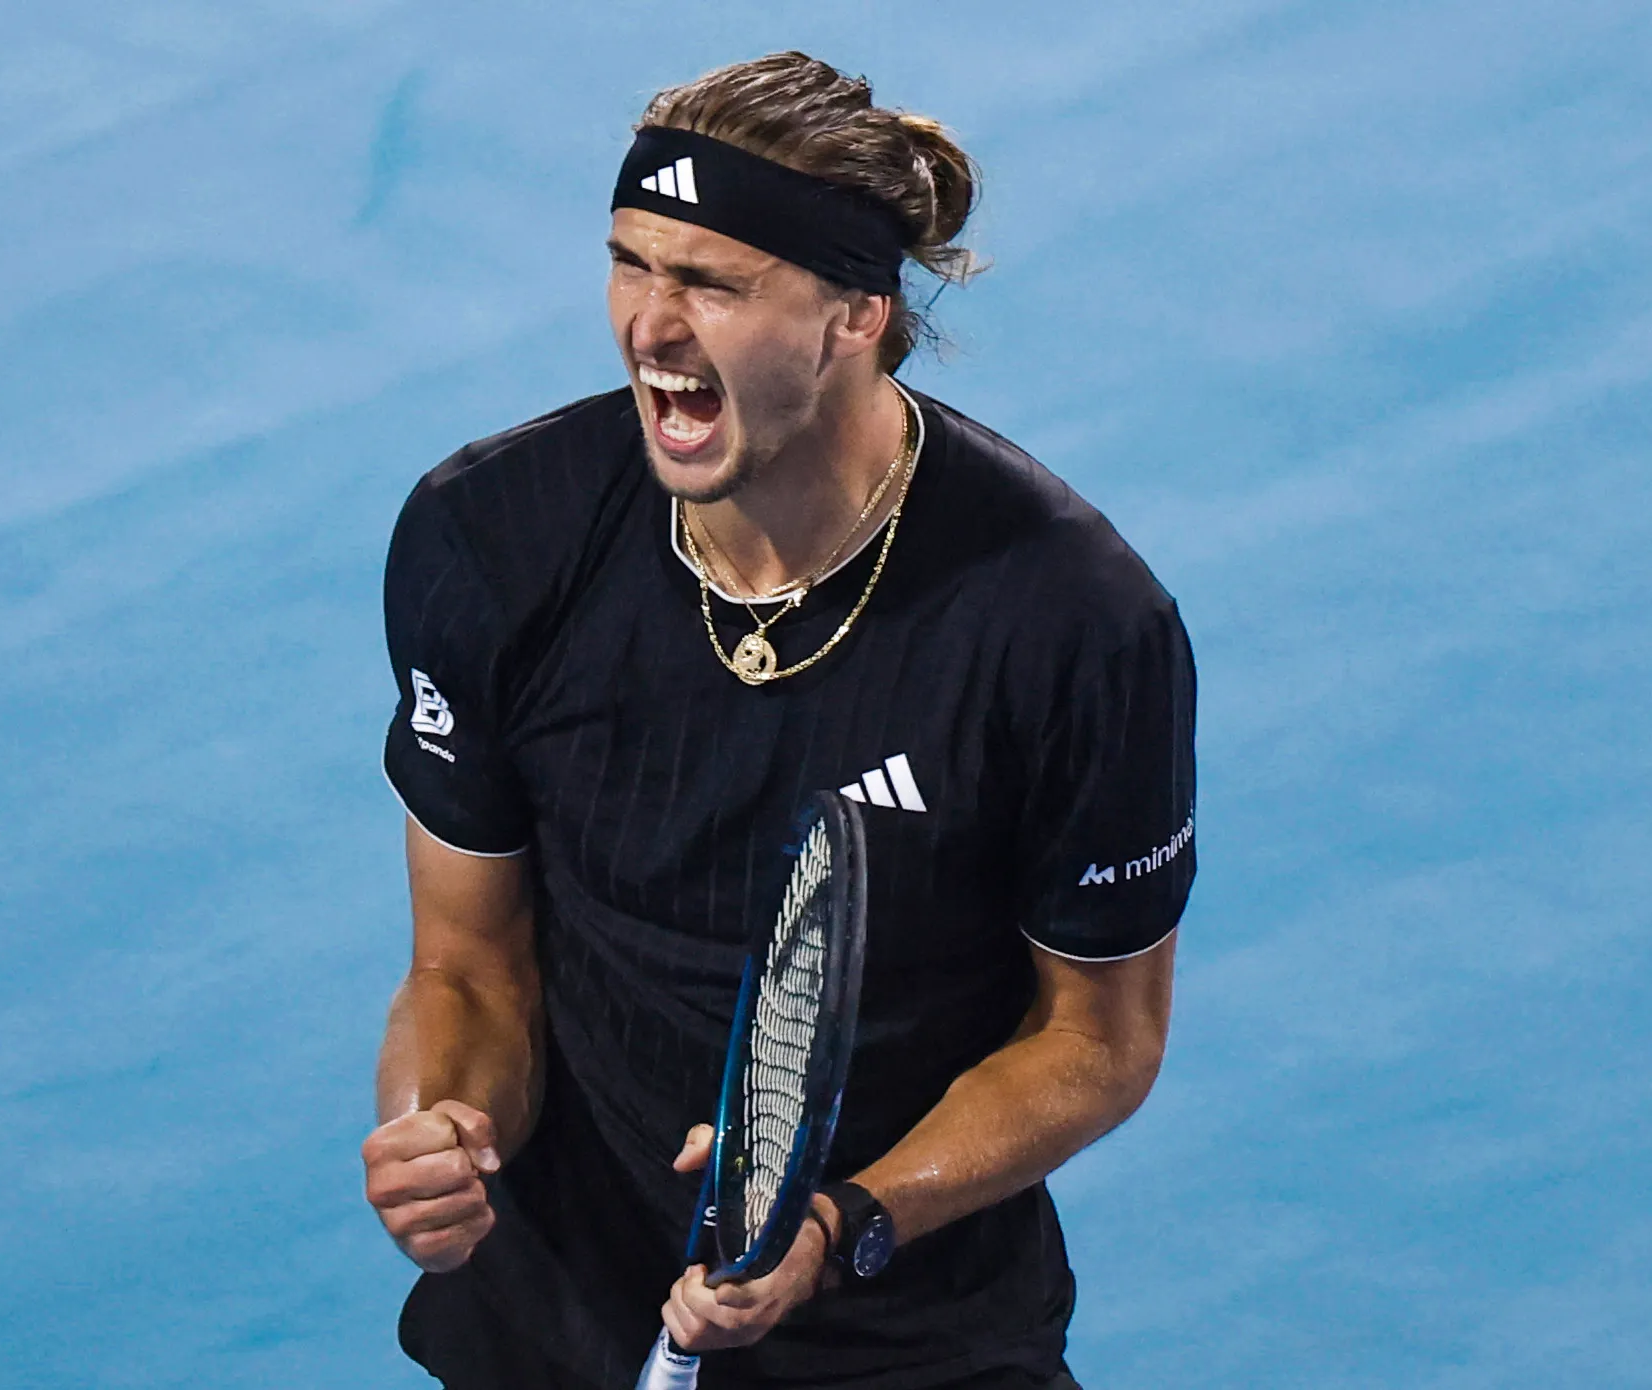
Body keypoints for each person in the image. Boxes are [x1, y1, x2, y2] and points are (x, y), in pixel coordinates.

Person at [361, 51, 1196, 1390]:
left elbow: (1097, 1040)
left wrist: (845, 1216)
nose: (651, 325)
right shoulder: (493, 538)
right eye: (632, 263)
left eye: (712, 282)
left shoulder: (1071, 623)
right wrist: (442, 1129)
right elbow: (468, 965)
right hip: (566, 1311)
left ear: (853, 312)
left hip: (912, 1335)